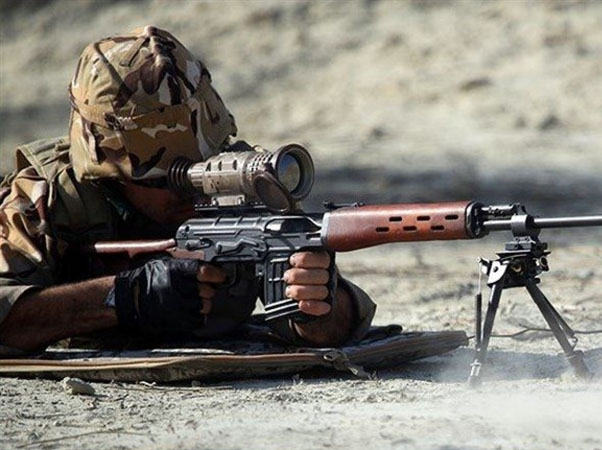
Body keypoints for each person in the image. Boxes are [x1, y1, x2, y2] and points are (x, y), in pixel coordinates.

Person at [0, 26, 375, 356]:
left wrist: (318, 307)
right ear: (109, 172)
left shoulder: (241, 184)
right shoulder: (49, 196)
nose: (191, 189)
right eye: (162, 177)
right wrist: (124, 296)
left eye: (202, 165)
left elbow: (327, 326)